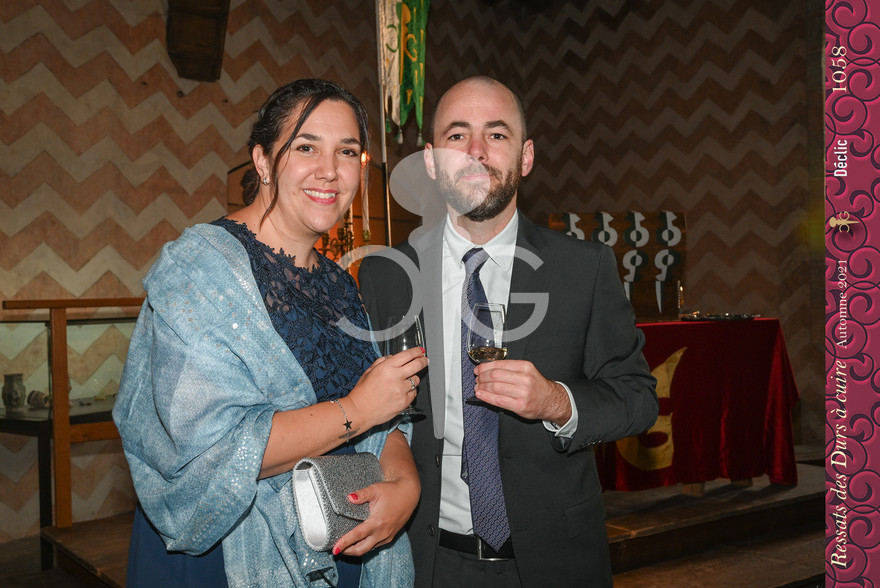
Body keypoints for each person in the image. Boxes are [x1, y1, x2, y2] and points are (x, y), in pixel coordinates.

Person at [113, 79, 427, 587]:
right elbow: (208, 449)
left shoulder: (339, 284)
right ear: (262, 162)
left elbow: (385, 414)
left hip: (341, 537)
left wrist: (405, 484)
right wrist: (357, 409)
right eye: (306, 147)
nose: (330, 169)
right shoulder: (199, 270)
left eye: (347, 151)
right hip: (230, 553)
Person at [358, 76, 659, 587]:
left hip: (556, 562)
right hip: (425, 563)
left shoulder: (582, 268)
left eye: (497, 134)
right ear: (431, 161)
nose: (476, 150)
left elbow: (638, 398)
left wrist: (555, 403)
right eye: (457, 135)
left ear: (526, 157)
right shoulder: (386, 276)